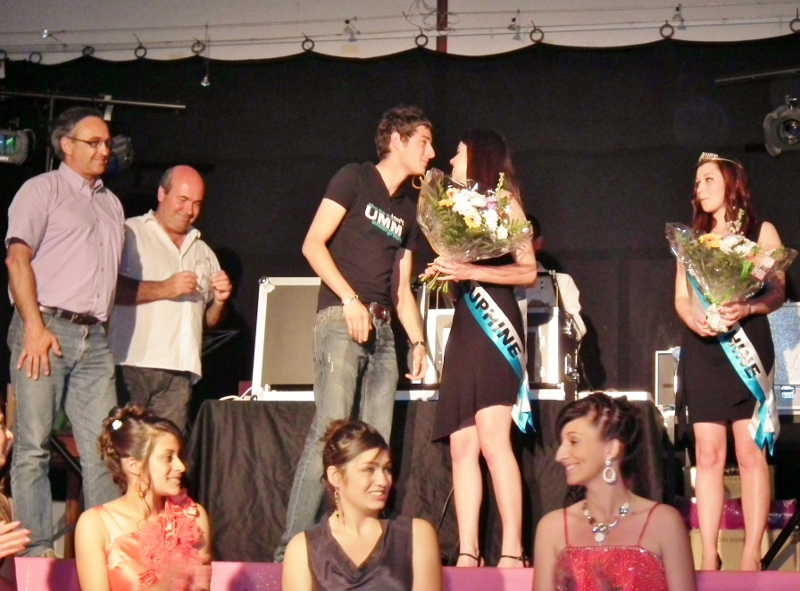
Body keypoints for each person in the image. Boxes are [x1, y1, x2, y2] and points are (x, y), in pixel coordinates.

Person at [274, 105, 432, 561]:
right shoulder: (355, 178)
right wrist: (348, 300)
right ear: (397, 140)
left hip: (383, 334)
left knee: (373, 448)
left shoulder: (408, 209)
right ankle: (289, 554)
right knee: (330, 435)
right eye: (424, 141)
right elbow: (312, 244)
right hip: (342, 321)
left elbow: (402, 288)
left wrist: (418, 341)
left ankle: (360, 551)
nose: (431, 152)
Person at [5, 106, 124, 557]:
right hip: (46, 329)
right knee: (33, 445)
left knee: (104, 450)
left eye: (107, 142)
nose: (104, 150)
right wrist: (34, 328)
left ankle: (106, 554)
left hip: (94, 337)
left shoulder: (112, 204)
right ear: (65, 145)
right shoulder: (42, 190)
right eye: (94, 142)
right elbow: (17, 259)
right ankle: (36, 556)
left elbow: (110, 280)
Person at [427, 130, 537, 567]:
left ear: (479, 157)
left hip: (496, 325)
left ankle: (512, 549)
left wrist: (469, 269)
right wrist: (448, 271)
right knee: (462, 445)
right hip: (464, 327)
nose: (451, 160)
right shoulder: (453, 207)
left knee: (494, 440)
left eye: (458, 153)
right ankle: (468, 551)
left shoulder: (504, 203)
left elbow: (527, 271)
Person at [674, 153, 784, 571]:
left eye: (707, 180)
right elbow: (681, 298)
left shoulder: (761, 231)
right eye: (696, 182)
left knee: (750, 452)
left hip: (747, 345)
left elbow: (776, 291)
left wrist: (747, 308)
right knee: (707, 454)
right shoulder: (691, 240)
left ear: (730, 182)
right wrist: (696, 321)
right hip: (704, 349)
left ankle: (752, 555)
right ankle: (709, 556)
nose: (699, 188)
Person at [109, 165, 232, 432]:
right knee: (124, 445)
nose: (189, 210)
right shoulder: (130, 233)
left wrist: (219, 302)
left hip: (179, 371)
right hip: (131, 365)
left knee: (167, 447)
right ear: (161, 194)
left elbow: (207, 322)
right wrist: (165, 288)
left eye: (197, 203)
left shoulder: (203, 251)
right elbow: (108, 289)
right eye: (183, 199)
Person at [532, 393, 696, 591]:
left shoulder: (664, 522)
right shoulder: (552, 528)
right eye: (561, 444)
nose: (559, 455)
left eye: (574, 442)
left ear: (611, 448)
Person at [282, 419, 442, 591]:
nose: (383, 481)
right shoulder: (303, 549)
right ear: (336, 476)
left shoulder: (415, 535)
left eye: (387, 469)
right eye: (369, 469)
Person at [75, 405, 211, 591]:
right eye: (168, 457)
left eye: (179, 456)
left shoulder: (193, 517)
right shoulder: (94, 524)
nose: (181, 467)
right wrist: (165, 584)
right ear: (134, 465)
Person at [522, 215, 586, 341]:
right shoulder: (496, 285)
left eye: (523, 241)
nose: (516, 248)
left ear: (538, 243)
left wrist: (547, 313)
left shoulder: (561, 281)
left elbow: (578, 330)